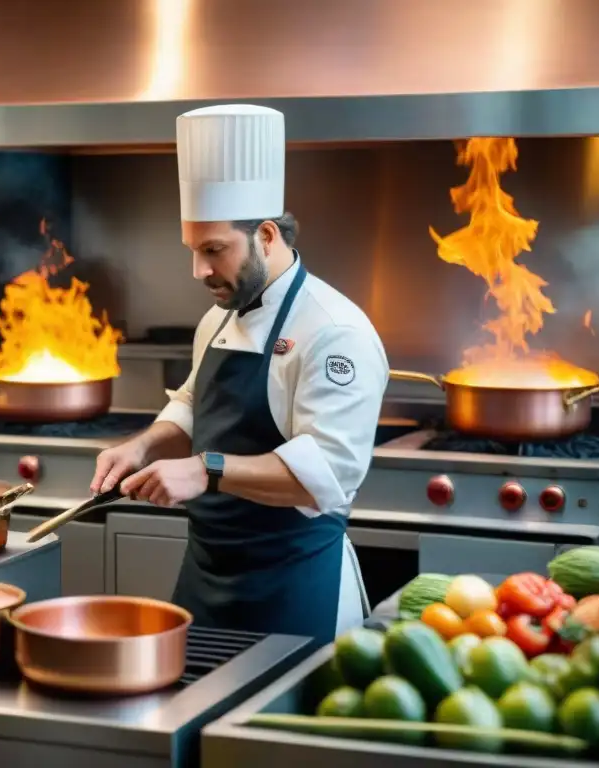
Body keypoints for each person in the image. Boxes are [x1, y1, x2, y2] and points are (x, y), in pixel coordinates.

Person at [91, 105, 389, 644]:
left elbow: (328, 474)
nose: (199, 271)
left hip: (295, 589)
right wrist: (143, 446)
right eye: (193, 250)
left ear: (268, 235)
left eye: (214, 250)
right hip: (206, 579)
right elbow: (191, 402)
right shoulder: (218, 317)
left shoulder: (334, 331)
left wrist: (207, 469)